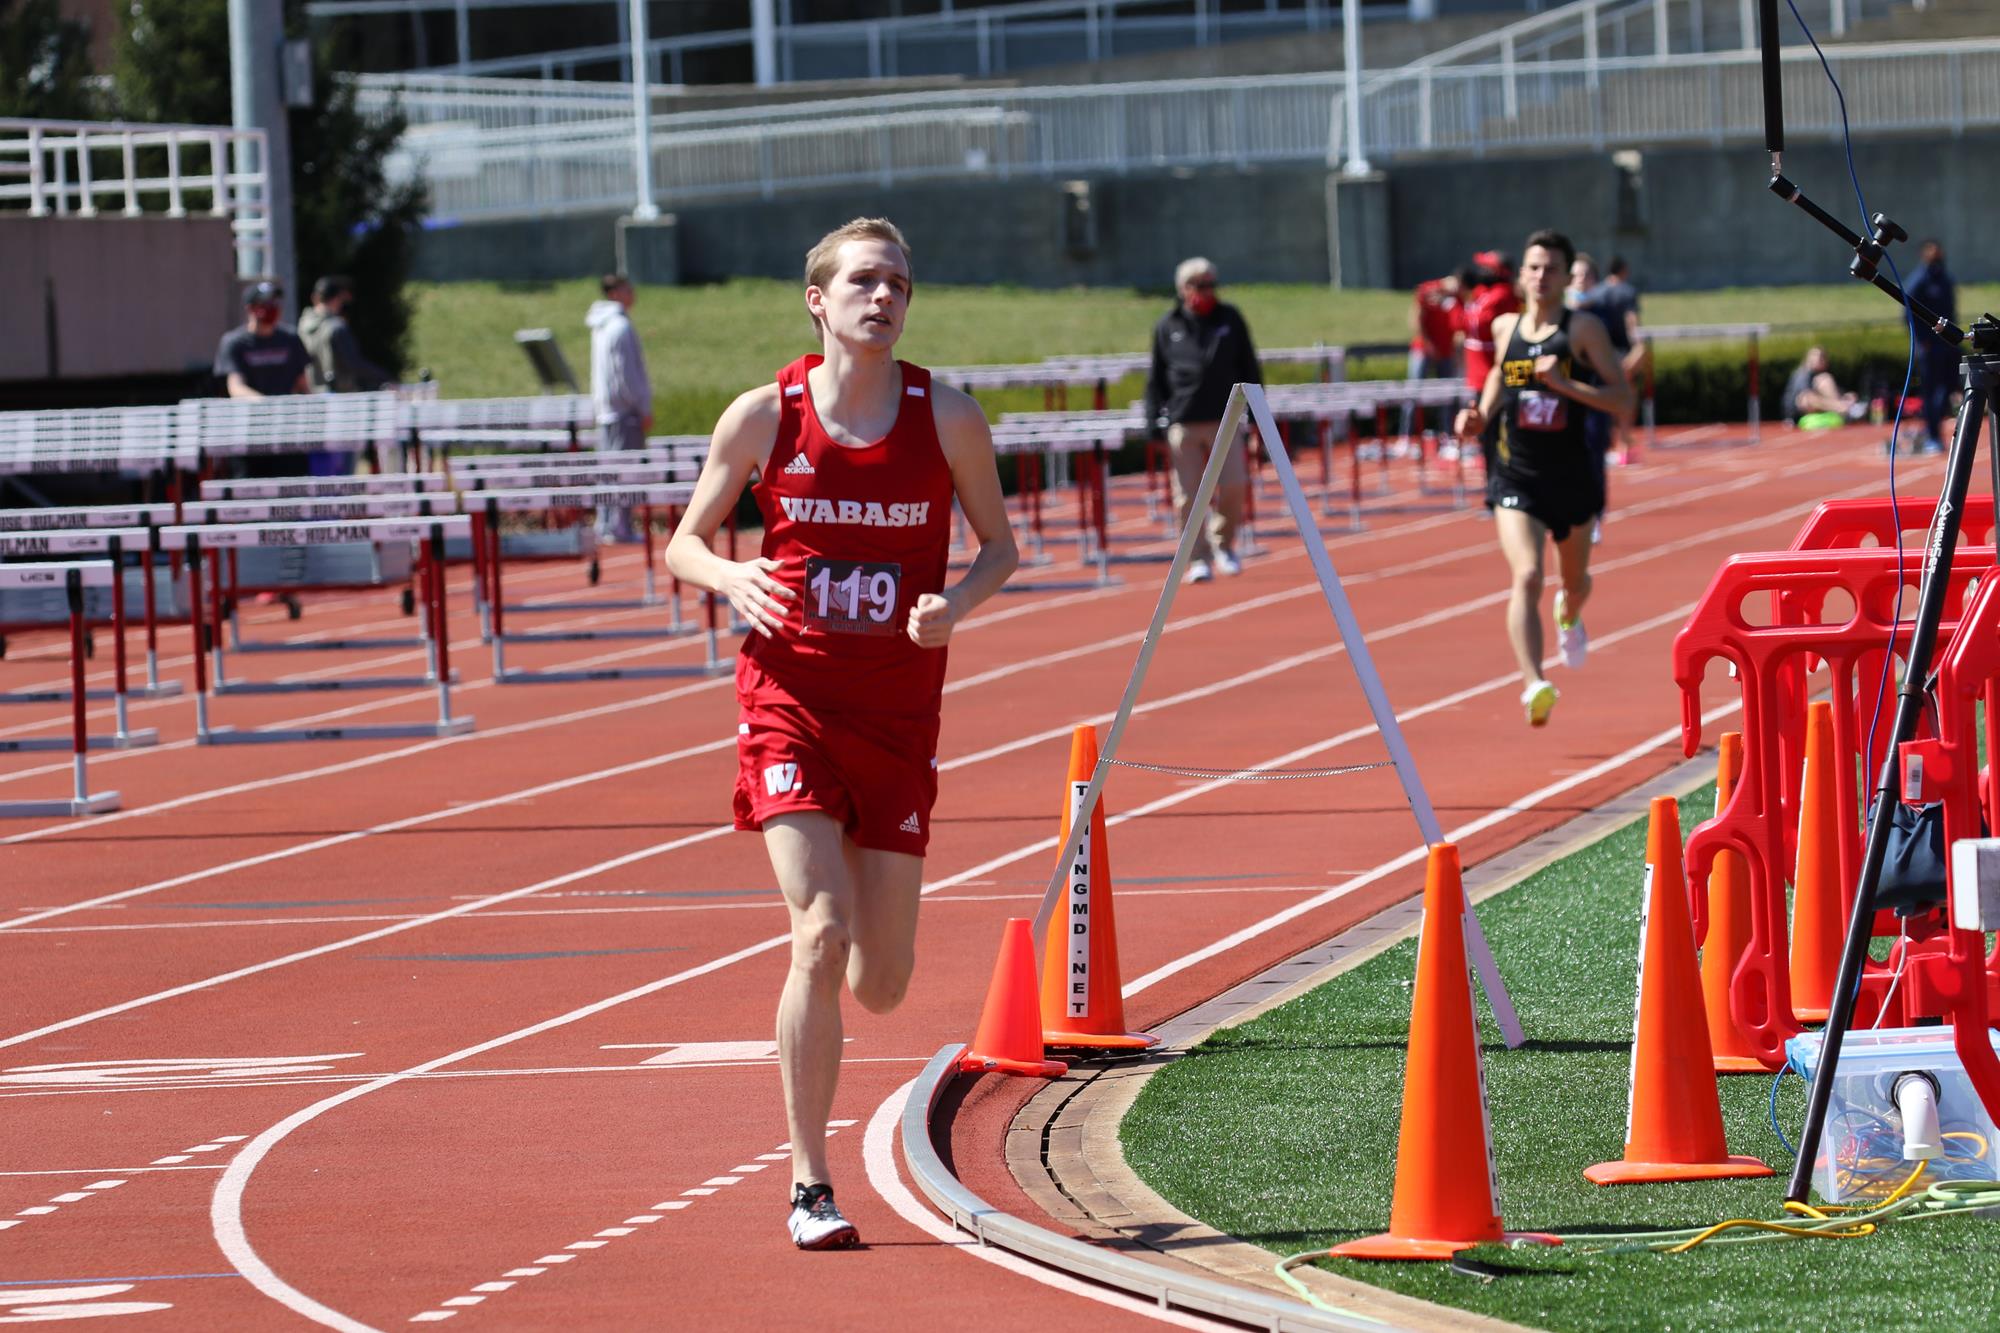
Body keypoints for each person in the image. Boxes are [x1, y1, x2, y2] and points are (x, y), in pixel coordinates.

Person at [664, 218, 1018, 1251]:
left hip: (898, 716)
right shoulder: (763, 416)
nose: (884, 297)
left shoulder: (945, 415)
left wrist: (954, 603)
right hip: (791, 702)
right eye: (863, 281)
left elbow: (999, 547)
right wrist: (731, 574)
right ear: (817, 299)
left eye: (898, 283)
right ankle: (808, 1182)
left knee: (885, 977)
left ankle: (869, 939)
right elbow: (684, 539)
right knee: (815, 929)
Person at [1453, 229, 1632, 728]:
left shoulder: (1583, 330)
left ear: (1566, 276)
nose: (1540, 277)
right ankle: (1534, 683)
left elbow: (1623, 400)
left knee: (1574, 582)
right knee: (1527, 574)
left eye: (1551, 268)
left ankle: (1570, 614)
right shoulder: (1505, 326)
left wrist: (1565, 384)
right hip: (1518, 477)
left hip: (1573, 479)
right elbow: (1496, 375)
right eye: (1533, 267)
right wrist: (1479, 417)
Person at [1143, 257, 1262, 585]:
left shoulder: (1230, 319)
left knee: (1235, 484)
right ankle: (1197, 557)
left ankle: (1223, 544)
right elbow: (1155, 377)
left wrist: (1259, 413)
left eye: (1211, 285)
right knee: (1188, 495)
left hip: (1227, 418)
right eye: (1199, 286)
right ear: (1183, 289)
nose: (1206, 292)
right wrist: (1152, 421)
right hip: (1184, 419)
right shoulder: (1168, 325)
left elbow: (1249, 366)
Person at [586, 273, 654, 539]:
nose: (632, 293)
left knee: (608, 471)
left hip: (606, 410)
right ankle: (619, 526)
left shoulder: (600, 326)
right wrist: (642, 406)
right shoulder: (620, 327)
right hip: (624, 411)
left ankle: (606, 524)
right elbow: (626, 375)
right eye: (627, 288)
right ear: (614, 293)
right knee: (625, 471)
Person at [215, 281, 310, 400]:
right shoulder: (234, 342)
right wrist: (265, 405)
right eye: (267, 303)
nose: (273, 307)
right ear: (251, 308)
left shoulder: (291, 339)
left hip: (286, 412)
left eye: (276, 302)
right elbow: (236, 387)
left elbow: (303, 385)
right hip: (251, 412)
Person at [1907, 240, 1960, 454]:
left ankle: (1939, 430)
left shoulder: (1945, 278)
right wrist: (1922, 340)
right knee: (1931, 393)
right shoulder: (1920, 280)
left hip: (1947, 345)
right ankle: (1932, 435)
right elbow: (1908, 311)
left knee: (1948, 388)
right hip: (1930, 347)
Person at [299, 276, 390, 395]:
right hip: (341, 398)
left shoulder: (302, 325)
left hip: (313, 396)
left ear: (314, 298)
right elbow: (354, 363)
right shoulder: (336, 327)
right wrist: (384, 377)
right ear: (337, 299)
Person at [1401, 269, 1463, 440]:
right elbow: (1416, 319)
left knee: (1447, 395)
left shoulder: (1456, 299)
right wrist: (1428, 345)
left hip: (1446, 352)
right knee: (1413, 391)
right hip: (1423, 349)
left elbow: (1459, 325)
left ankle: (1447, 432)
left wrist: (1457, 353)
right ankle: (1405, 435)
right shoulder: (1427, 290)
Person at [1782, 346, 1869, 425]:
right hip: (1797, 412)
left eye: (1821, 358)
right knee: (1808, 398)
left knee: (1826, 380)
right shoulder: (1802, 374)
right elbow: (1805, 397)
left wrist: (1845, 396)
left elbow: (1833, 392)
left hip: (1821, 408)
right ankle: (1846, 410)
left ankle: (1844, 409)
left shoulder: (1823, 375)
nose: (1819, 360)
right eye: (1816, 357)